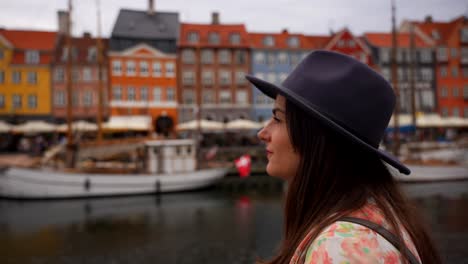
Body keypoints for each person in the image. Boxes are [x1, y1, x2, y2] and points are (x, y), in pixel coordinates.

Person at [246, 51, 441, 264]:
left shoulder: (337, 249)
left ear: (318, 137)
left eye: (277, 118)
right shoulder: (377, 215)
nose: (263, 133)